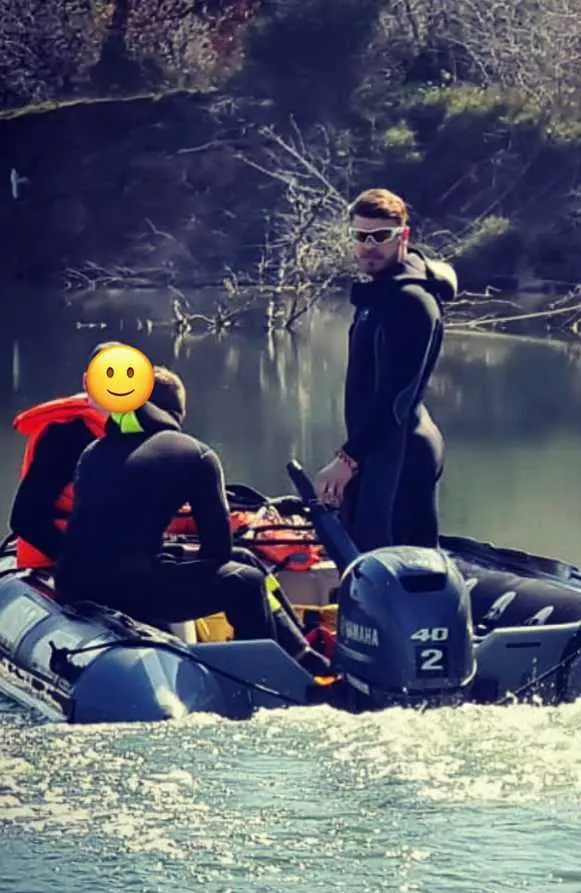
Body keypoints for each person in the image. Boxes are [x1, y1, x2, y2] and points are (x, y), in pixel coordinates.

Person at [54, 366, 330, 674]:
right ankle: (265, 682)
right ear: (178, 413)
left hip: (74, 586)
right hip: (130, 589)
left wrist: (176, 553)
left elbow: (112, 535)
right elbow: (218, 552)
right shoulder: (195, 454)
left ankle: (302, 653)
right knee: (246, 583)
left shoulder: (94, 451)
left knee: (245, 558)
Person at [313, 187, 457, 553]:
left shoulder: (411, 301)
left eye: (380, 236)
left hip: (403, 451)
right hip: (379, 450)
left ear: (402, 236)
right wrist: (357, 456)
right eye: (360, 236)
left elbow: (396, 397)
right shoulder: (380, 293)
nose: (368, 246)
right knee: (367, 554)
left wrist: (348, 458)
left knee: (396, 564)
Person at [9, 342, 120, 569]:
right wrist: (81, 563)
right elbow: (25, 518)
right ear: (87, 382)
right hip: (50, 562)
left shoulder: (125, 432)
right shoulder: (65, 436)